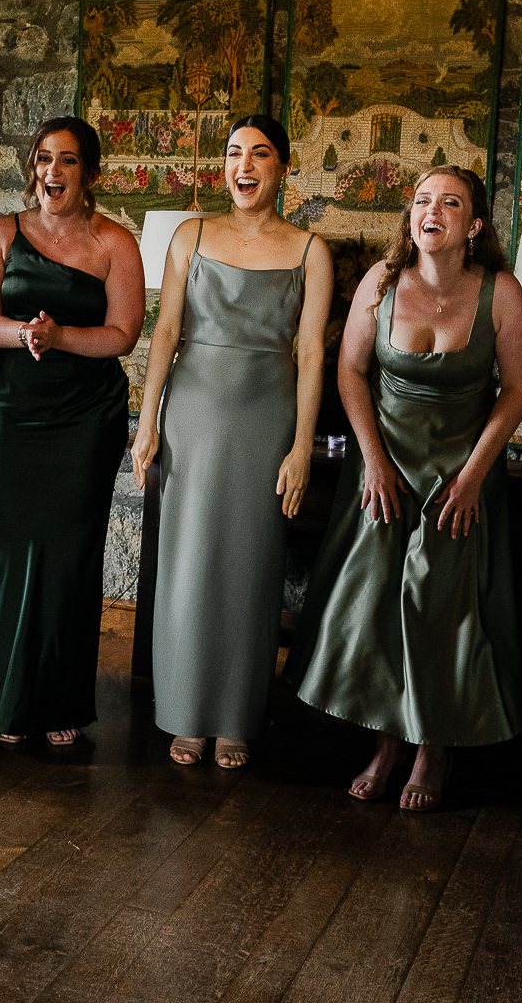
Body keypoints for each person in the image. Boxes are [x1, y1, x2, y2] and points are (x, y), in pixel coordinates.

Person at [285, 165, 522, 811]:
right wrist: (371, 459)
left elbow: (516, 392)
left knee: (441, 609)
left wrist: (475, 474)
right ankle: (387, 740)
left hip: (461, 470)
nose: (432, 210)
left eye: (450, 202)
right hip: (385, 460)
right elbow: (351, 371)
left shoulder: (501, 294)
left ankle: (433, 748)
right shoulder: (382, 283)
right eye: (423, 199)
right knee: (375, 606)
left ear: (473, 225)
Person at [131, 115, 334, 769]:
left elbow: (310, 352)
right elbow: (164, 332)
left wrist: (302, 446)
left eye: (261, 154)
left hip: (266, 416)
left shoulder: (311, 251)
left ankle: (236, 718)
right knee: (188, 564)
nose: (244, 165)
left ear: (282, 168)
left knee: (250, 566)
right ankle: (186, 714)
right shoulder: (190, 235)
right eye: (234, 153)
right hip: (191, 411)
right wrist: (148, 420)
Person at [0, 116, 142, 745]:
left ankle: (63, 701)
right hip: (18, 408)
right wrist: (26, 334)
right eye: (43, 159)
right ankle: (10, 698)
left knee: (70, 553)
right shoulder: (2, 233)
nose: (52, 172)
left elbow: (124, 332)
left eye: (67, 161)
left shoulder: (115, 243)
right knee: (15, 543)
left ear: (90, 173)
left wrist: (62, 335)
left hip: (87, 415)